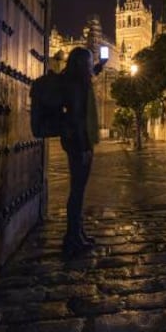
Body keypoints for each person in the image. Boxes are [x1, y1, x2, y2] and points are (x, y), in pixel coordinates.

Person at [60, 47, 101, 255]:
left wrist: (99, 67)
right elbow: (77, 119)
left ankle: (78, 232)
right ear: (79, 64)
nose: (90, 66)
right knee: (77, 191)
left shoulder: (75, 81)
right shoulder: (76, 86)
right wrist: (84, 147)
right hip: (78, 144)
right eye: (88, 62)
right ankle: (72, 238)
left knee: (79, 190)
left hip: (77, 142)